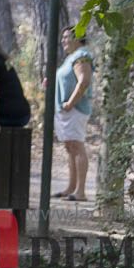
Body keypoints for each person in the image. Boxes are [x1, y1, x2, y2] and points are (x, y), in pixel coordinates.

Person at [53, 25, 94, 201]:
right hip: (65, 111)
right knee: (70, 147)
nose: (63, 40)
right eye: (63, 37)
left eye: (67, 37)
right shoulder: (71, 57)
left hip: (75, 110)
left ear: (77, 38)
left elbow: (84, 81)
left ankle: (80, 192)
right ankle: (71, 187)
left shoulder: (82, 56)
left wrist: (70, 103)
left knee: (77, 146)